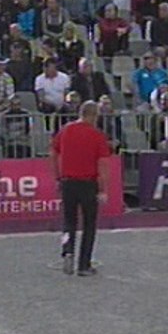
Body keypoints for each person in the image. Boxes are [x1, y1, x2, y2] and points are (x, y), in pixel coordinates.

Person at [50, 101, 112, 277]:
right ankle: (84, 264)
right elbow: (103, 164)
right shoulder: (97, 135)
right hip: (88, 183)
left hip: (68, 182)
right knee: (89, 224)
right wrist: (103, 189)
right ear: (93, 116)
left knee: (69, 221)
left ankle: (67, 249)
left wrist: (57, 177)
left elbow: (53, 153)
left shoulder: (65, 130)